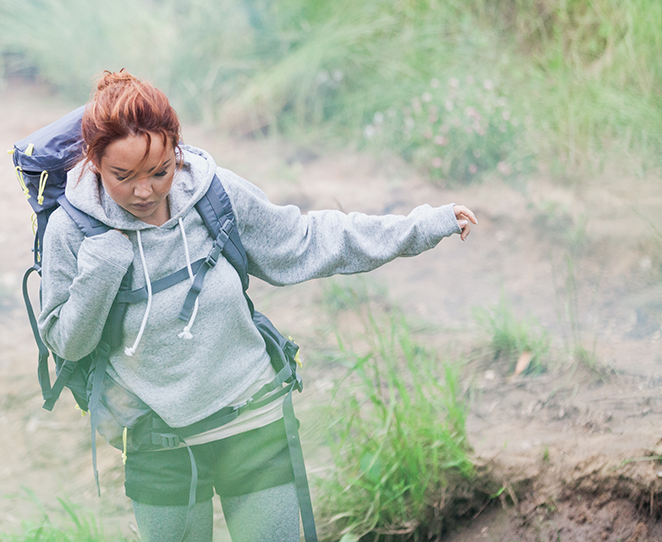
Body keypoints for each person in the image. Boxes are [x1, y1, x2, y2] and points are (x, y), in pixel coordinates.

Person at [37, 69, 477, 542]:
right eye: (123, 177)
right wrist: (101, 267)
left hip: (253, 420)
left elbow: (308, 241)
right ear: (94, 162)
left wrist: (423, 226)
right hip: (156, 439)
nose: (144, 192)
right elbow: (69, 343)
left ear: (177, 150)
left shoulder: (213, 193)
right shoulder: (73, 230)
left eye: (159, 171)